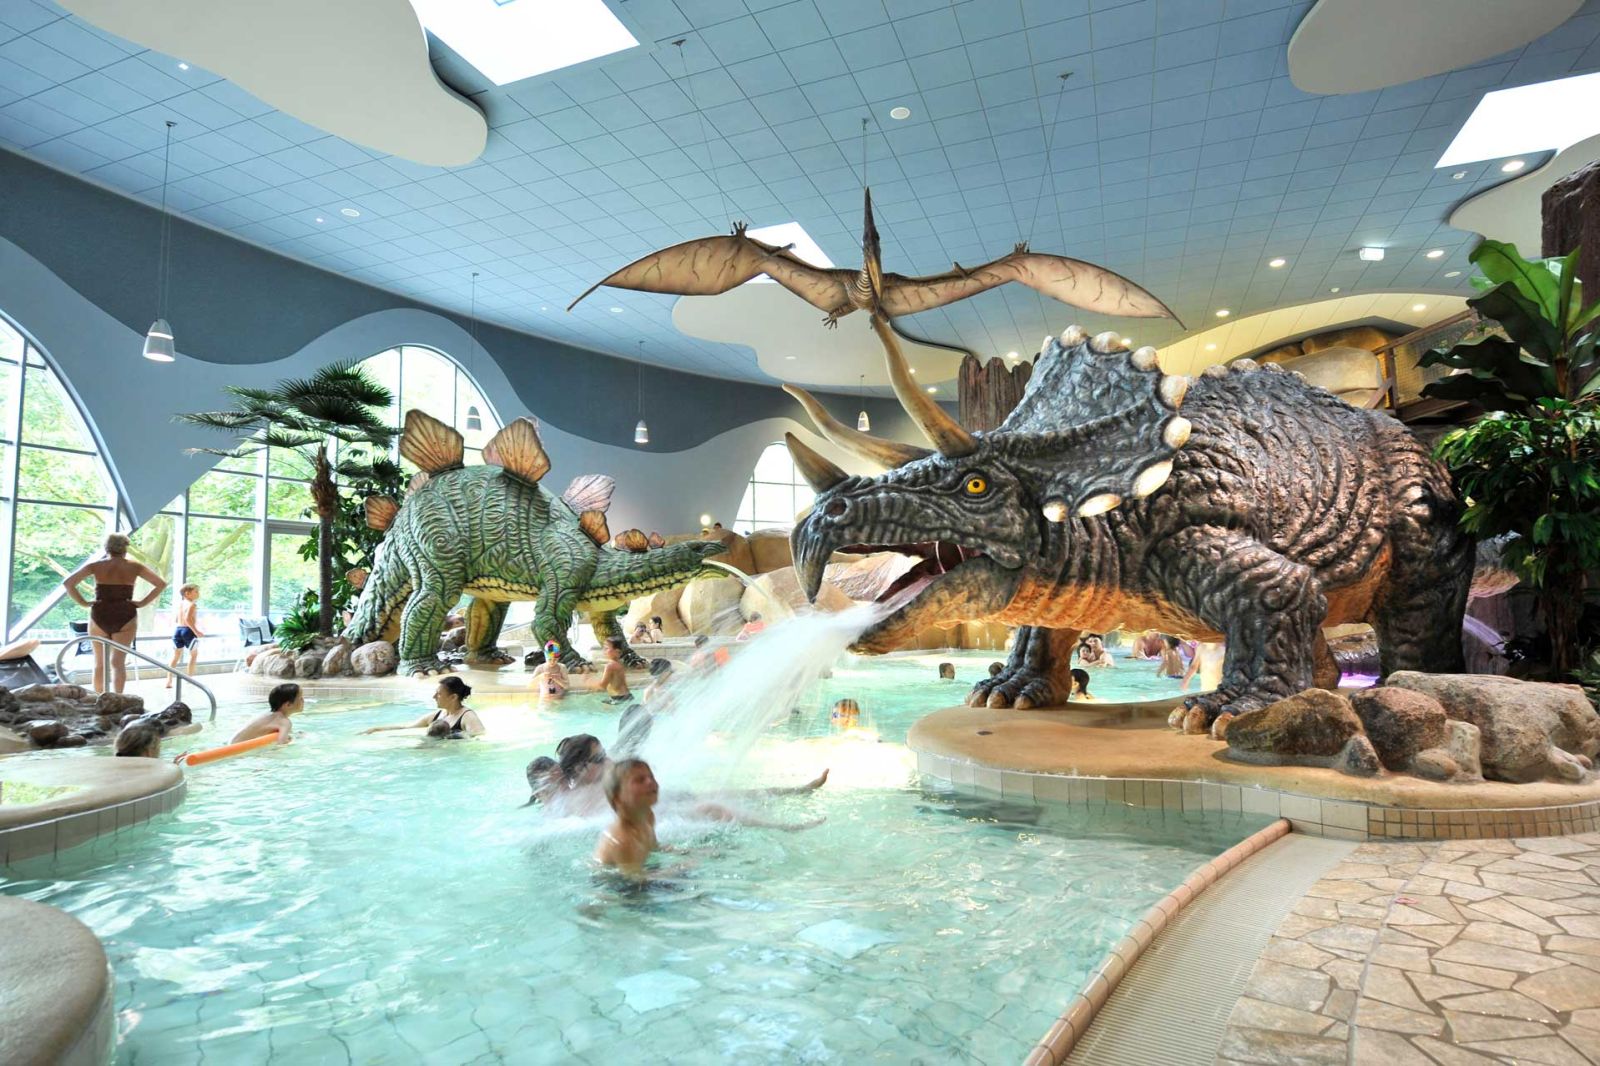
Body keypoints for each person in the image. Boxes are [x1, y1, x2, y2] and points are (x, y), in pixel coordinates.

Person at [61, 533, 167, 694]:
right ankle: (118, 699)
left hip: (100, 613)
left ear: (106, 547)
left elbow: (68, 583)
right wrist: (142, 603)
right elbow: (161, 584)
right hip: (125, 613)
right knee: (118, 663)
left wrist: (84, 602)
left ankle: (99, 698)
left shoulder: (95, 566)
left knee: (99, 664)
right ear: (125, 548)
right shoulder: (135, 566)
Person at [361, 676, 484, 738]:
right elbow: (407, 727)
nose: (434, 697)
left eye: (439, 694)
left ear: (453, 697)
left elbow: (479, 738)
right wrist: (376, 729)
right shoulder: (438, 715)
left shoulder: (467, 717)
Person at [231, 682, 303, 745]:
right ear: (288, 705)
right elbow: (281, 743)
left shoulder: (269, 715)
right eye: (300, 698)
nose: (303, 700)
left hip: (233, 743)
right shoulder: (284, 721)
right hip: (238, 749)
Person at [164, 583, 204, 689]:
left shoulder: (180, 604)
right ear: (187, 593)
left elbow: (177, 619)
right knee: (194, 655)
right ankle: (189, 678)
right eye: (196, 591)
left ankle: (169, 680)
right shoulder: (192, 605)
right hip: (188, 631)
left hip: (178, 630)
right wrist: (196, 631)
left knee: (176, 656)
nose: (198, 593)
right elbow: (187, 619)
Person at [593, 637, 631, 703]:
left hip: (618, 698)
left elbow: (602, 686)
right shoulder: (620, 663)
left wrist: (588, 682)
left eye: (606, 648)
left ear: (617, 651)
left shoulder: (610, 666)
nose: (604, 650)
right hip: (627, 696)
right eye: (604, 648)